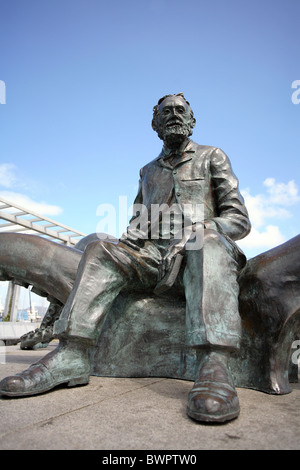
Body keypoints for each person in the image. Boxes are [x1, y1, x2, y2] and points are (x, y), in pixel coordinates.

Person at [0, 93, 250, 423]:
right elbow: (138, 222)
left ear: (192, 118)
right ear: (155, 124)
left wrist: (200, 229)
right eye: (166, 112)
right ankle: (73, 353)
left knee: (205, 242)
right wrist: (131, 236)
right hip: (151, 259)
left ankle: (214, 363)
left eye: (180, 110)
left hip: (200, 257)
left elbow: (238, 219)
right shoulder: (147, 170)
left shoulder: (212, 156)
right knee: (100, 249)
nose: (174, 115)